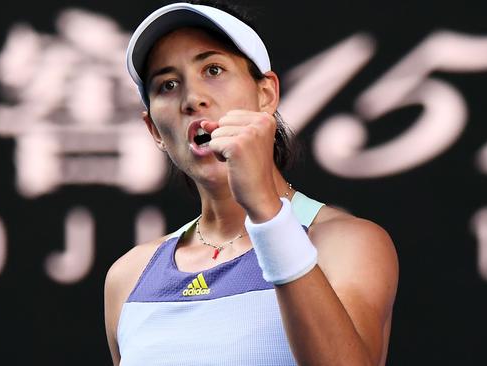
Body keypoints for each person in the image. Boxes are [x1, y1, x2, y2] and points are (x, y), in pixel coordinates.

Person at [104, 1, 398, 365]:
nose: (192, 98)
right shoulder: (129, 276)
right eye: (167, 84)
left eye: (213, 69)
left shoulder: (346, 242)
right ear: (154, 130)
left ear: (266, 94)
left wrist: (265, 211)